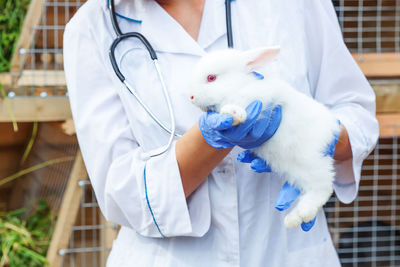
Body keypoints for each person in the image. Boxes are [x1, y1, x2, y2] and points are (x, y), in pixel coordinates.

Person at [63, 0, 379, 266]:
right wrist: (213, 138)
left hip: (287, 252)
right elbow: (121, 193)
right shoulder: (92, 28)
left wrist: (298, 134)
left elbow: (357, 116)